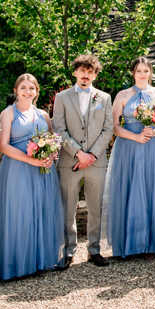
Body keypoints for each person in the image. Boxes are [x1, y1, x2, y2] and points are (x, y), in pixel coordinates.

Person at [0, 74, 65, 280]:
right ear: (16, 90)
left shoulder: (43, 115)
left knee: (41, 210)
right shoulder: (8, 113)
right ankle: (18, 264)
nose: (27, 91)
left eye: (32, 88)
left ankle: (40, 260)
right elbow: (3, 145)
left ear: (37, 91)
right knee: (20, 212)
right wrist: (30, 160)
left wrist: (50, 155)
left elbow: (51, 140)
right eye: (23, 87)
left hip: (42, 170)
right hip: (18, 168)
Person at [105, 57, 155, 259]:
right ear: (132, 73)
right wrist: (135, 136)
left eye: (145, 71)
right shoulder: (123, 95)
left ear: (150, 72)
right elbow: (114, 125)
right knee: (130, 187)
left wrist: (153, 133)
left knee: (153, 188)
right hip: (129, 146)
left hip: (154, 146)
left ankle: (152, 243)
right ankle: (130, 242)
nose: (142, 74)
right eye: (138, 71)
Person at [53, 54, 113, 268]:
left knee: (95, 207)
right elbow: (59, 129)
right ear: (75, 72)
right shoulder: (61, 98)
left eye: (90, 72)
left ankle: (94, 250)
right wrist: (79, 153)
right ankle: (68, 251)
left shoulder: (104, 98)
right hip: (70, 161)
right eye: (82, 71)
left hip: (96, 163)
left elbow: (108, 130)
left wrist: (92, 155)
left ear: (95, 75)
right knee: (68, 207)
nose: (85, 75)